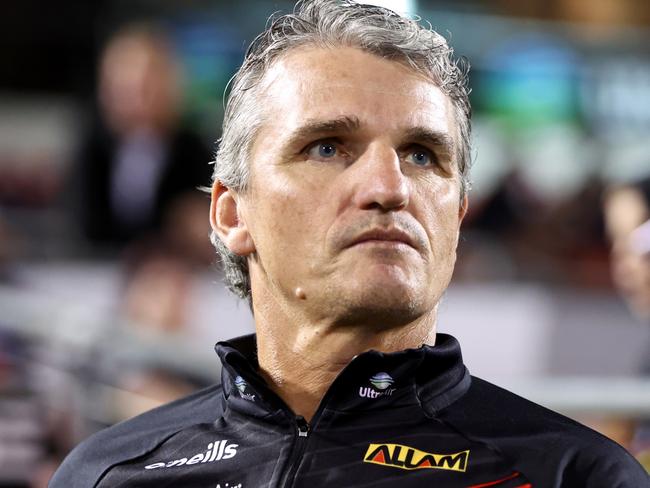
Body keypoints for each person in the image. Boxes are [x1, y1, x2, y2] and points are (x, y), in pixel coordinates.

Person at [51, 1, 648, 486]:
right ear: (233, 214)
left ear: (457, 220)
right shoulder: (107, 472)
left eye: (421, 155)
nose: (389, 188)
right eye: (328, 147)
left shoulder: (574, 475)